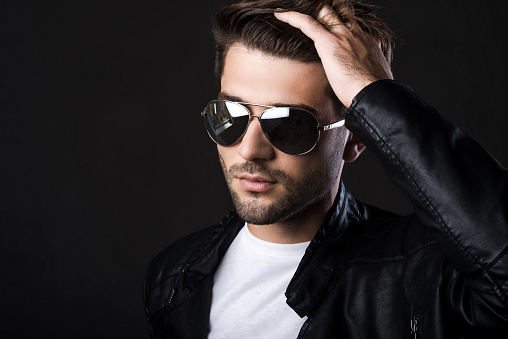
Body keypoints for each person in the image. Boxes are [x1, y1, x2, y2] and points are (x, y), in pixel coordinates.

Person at [144, 0, 508, 337]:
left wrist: (375, 92)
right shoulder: (174, 274)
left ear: (356, 137)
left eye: (290, 124)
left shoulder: (420, 273)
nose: (250, 150)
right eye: (231, 115)